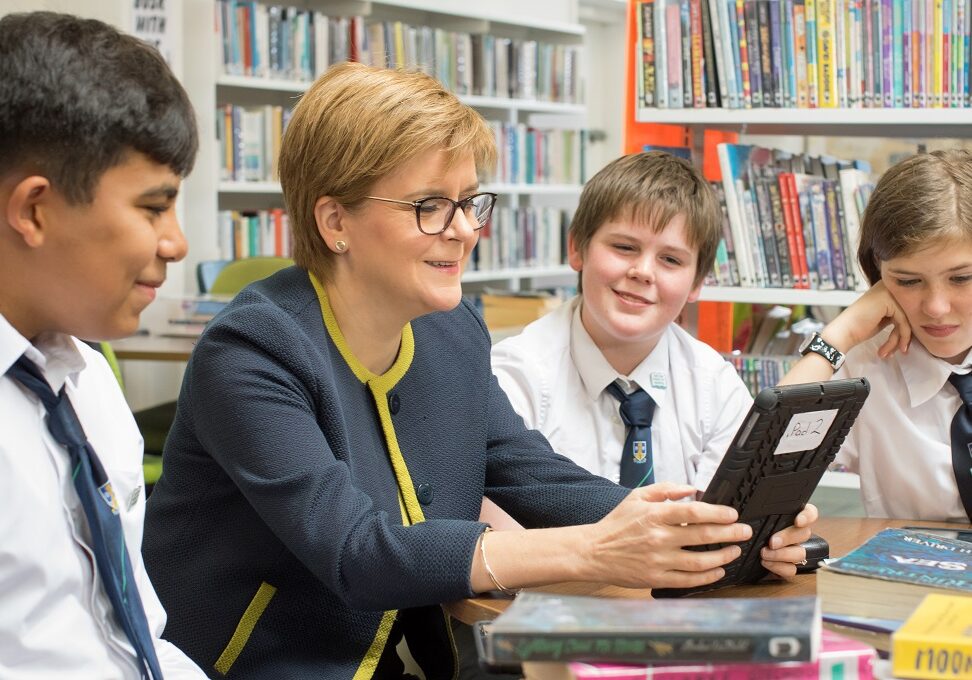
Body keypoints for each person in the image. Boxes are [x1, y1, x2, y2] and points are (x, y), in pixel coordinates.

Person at [142, 63, 812, 680]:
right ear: (334, 218)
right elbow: (356, 552)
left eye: (469, 203)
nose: (465, 230)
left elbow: (531, 473)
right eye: (431, 206)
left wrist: (717, 530)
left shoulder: (450, 330)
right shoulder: (253, 352)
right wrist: (594, 552)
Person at [0, 11, 204, 679]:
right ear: (35, 210)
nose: (176, 243)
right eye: (153, 207)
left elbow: (133, 638)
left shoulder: (85, 380)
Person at [488, 150, 816, 565]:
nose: (644, 271)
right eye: (624, 247)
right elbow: (502, 545)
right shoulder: (513, 376)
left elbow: (728, 526)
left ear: (697, 282)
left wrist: (769, 536)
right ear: (577, 249)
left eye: (671, 259)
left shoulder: (713, 382)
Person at [781, 149, 972, 522]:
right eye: (908, 281)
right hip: (912, 575)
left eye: (962, 278)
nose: (936, 307)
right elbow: (758, 463)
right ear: (878, 276)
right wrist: (841, 333)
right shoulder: (866, 364)